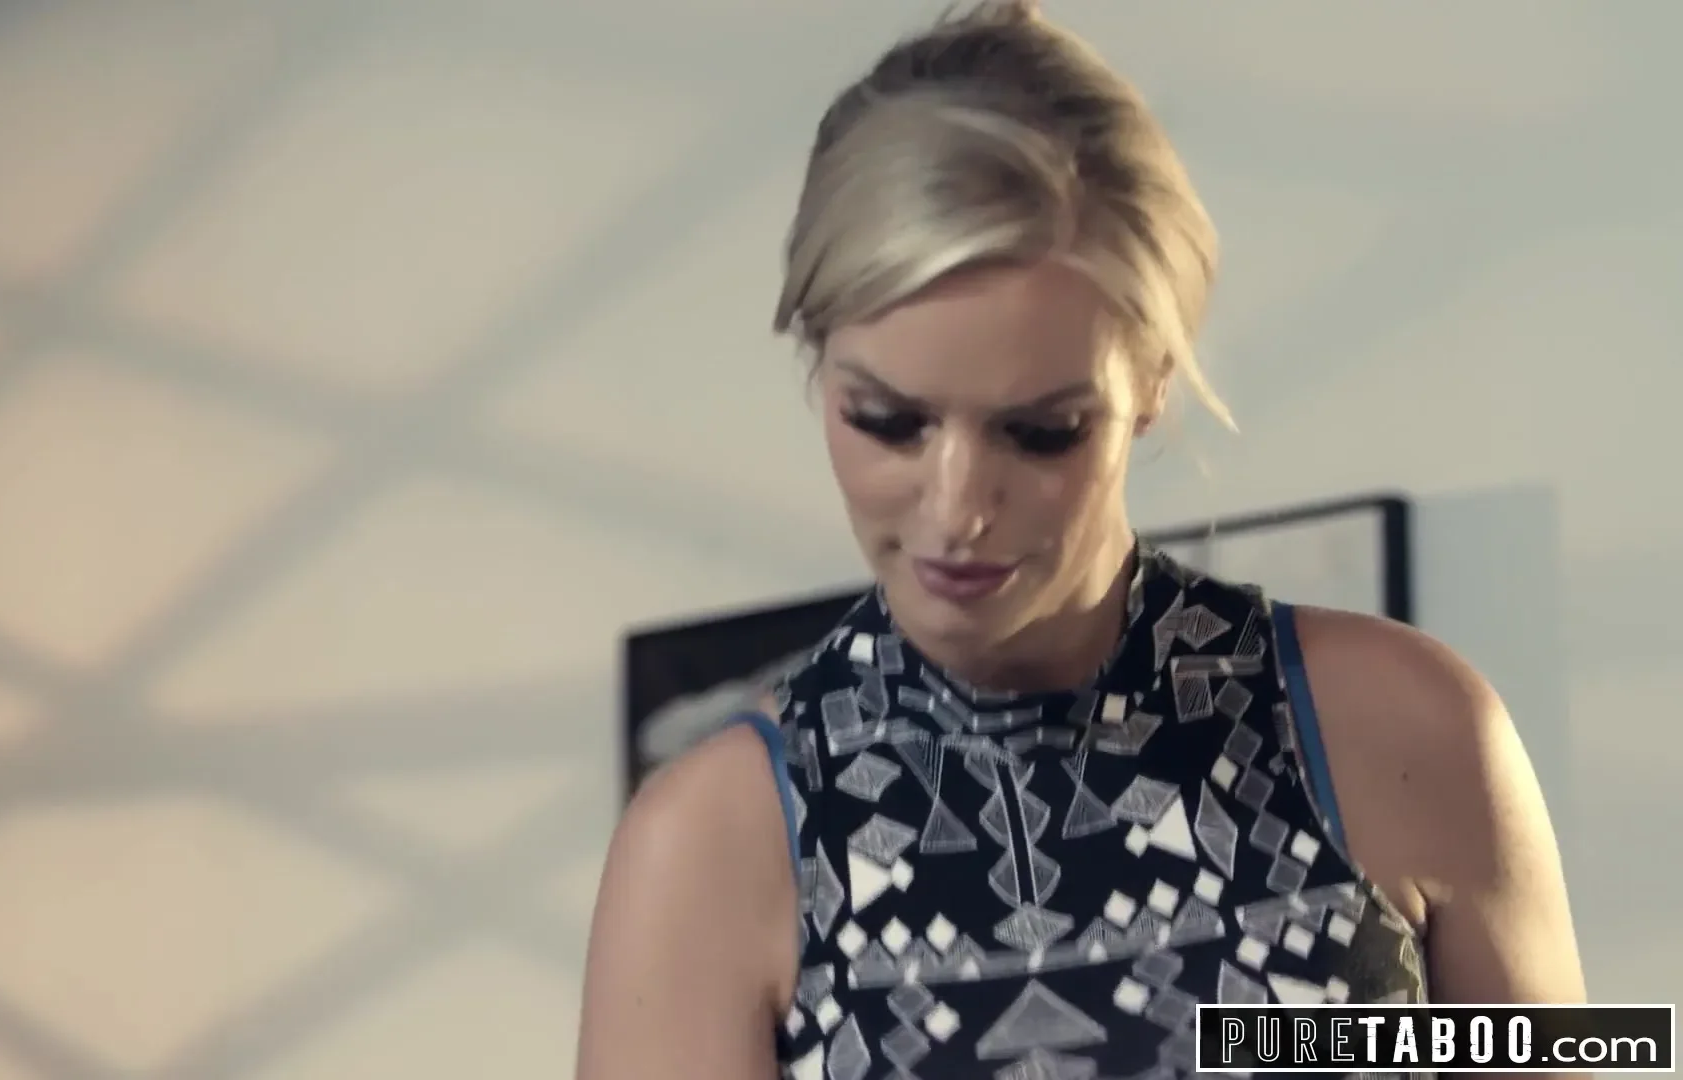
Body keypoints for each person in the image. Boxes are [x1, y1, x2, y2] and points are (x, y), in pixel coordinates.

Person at [574, 3, 1586, 1078]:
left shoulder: (1408, 729)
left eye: (1041, 432)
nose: (958, 509)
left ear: (1152, 382)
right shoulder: (709, 846)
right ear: (819, 364)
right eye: (889, 421)